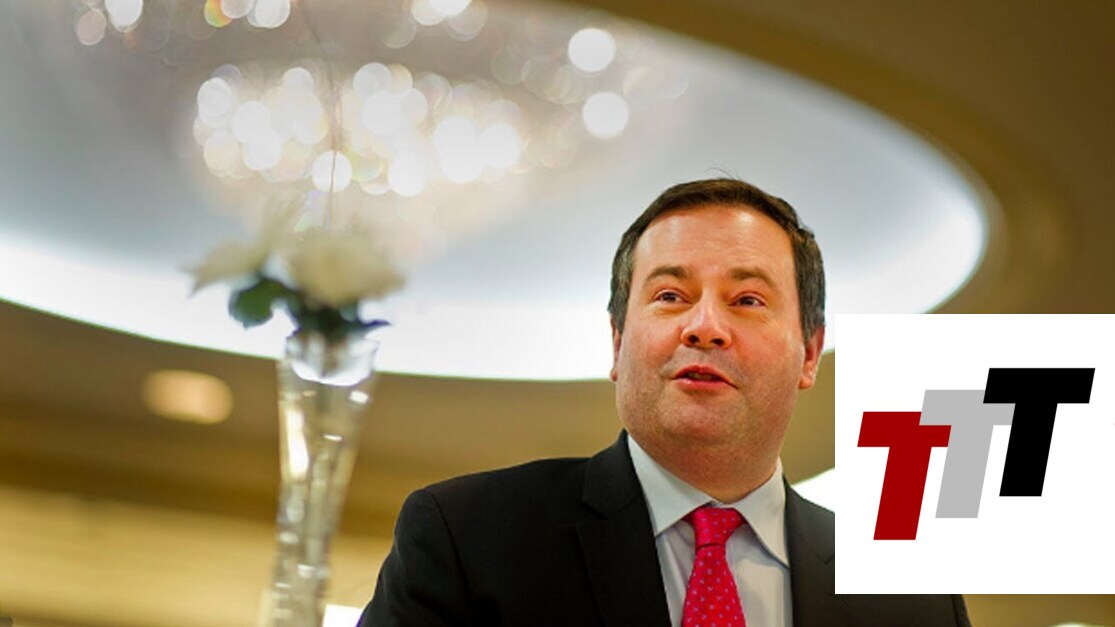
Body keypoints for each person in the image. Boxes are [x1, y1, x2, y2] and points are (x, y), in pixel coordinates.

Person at [359, 178, 972, 626]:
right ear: (618, 342)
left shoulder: (913, 596)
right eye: (671, 296)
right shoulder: (468, 538)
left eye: (747, 300)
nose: (704, 327)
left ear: (810, 353)